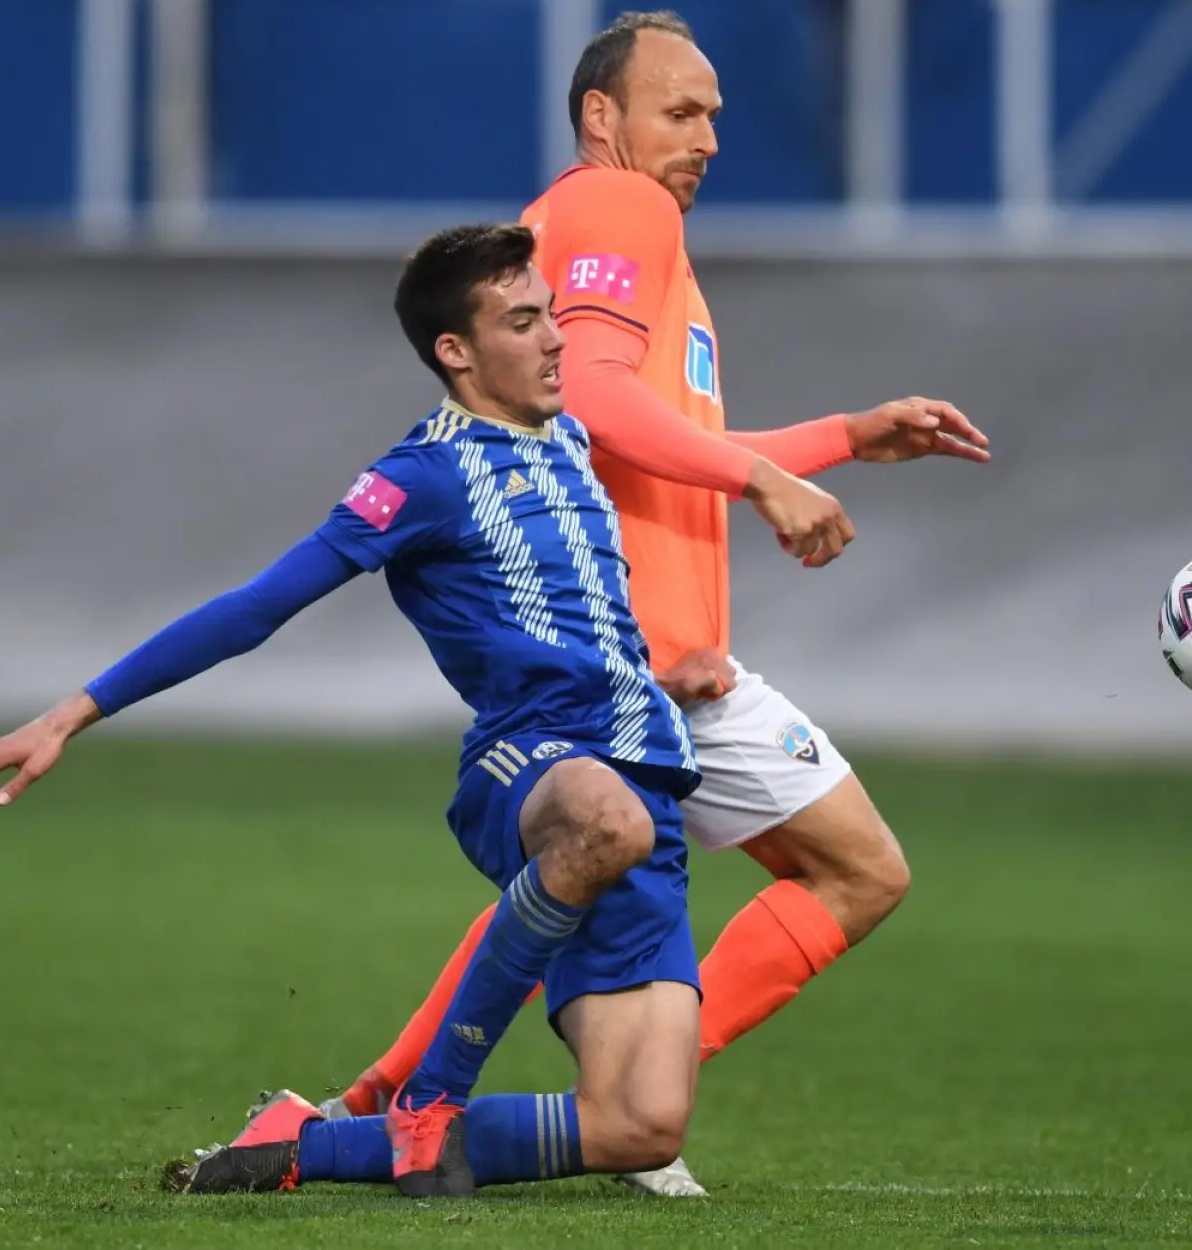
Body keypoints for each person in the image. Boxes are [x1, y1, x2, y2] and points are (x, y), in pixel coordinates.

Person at [315, 9, 990, 1198]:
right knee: (851, 868)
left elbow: (645, 431)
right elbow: (598, 396)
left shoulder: (575, 225)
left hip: (631, 655)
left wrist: (839, 436)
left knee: (587, 876)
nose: (709, 138)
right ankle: (601, 1103)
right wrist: (764, 480)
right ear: (602, 116)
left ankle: (388, 1103)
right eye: (681, 111)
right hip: (650, 659)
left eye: (715, 115)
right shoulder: (623, 206)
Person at [0, 223, 710, 1198]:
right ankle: (432, 1094)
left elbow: (577, 609)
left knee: (640, 1124)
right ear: (456, 350)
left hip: (646, 777)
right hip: (531, 765)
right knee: (609, 821)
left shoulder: (568, 438)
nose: (557, 337)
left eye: (550, 313)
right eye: (524, 322)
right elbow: (258, 605)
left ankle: (300, 1145)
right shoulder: (419, 476)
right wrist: (74, 711)